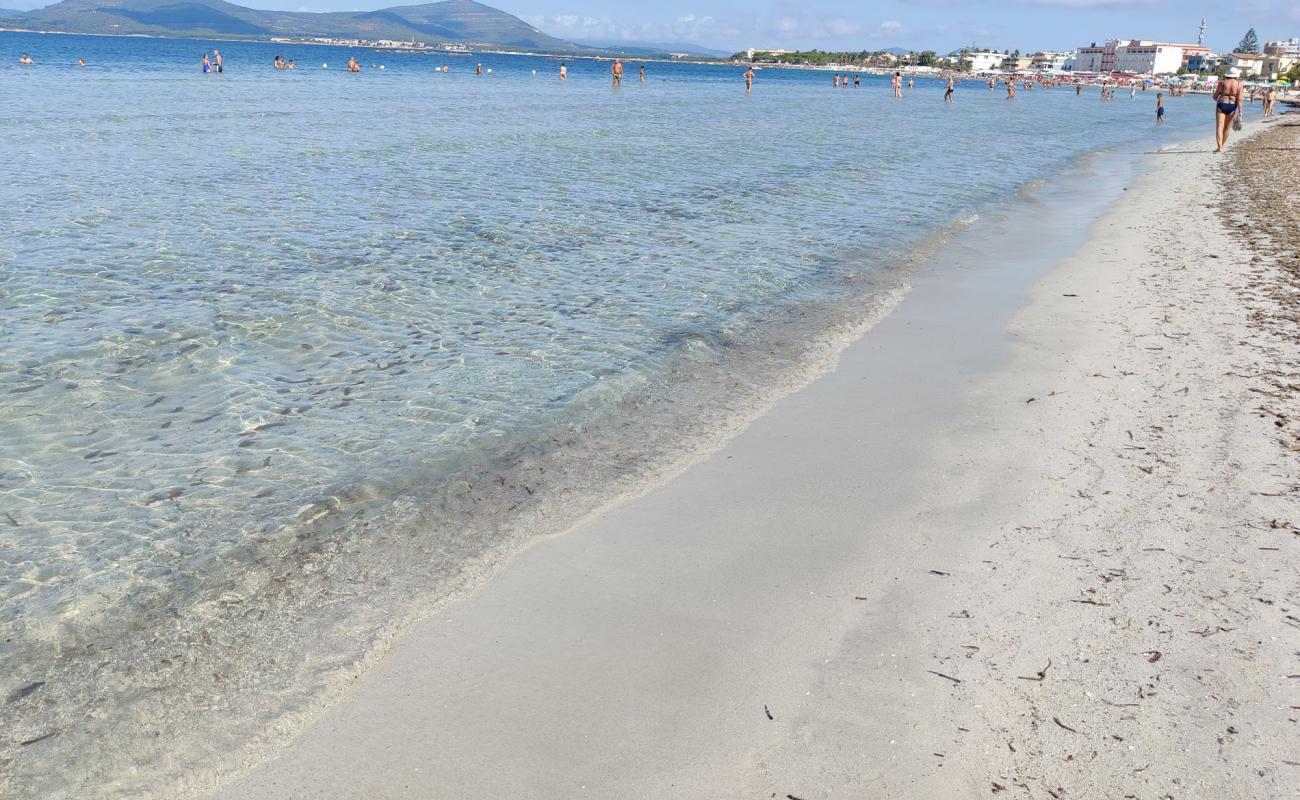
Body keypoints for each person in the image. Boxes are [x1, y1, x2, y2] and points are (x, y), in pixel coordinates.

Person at [1214, 67, 1244, 152]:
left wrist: (1218, 99)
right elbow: (1239, 99)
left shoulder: (1222, 83)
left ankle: (1219, 147)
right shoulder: (1239, 84)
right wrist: (1240, 111)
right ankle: (1222, 146)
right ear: (1236, 75)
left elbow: (1215, 96)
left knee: (1219, 127)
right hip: (1232, 106)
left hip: (1221, 104)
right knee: (1227, 128)